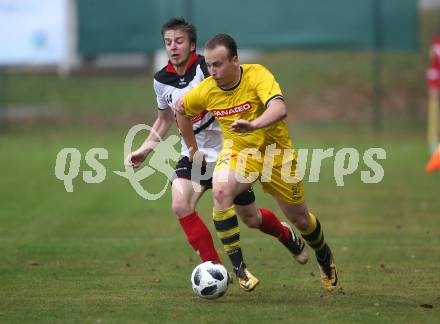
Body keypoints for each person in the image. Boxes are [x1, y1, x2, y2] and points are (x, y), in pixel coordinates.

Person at [125, 19, 306, 286]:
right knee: (179, 204)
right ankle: (215, 269)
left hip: (228, 153)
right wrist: (146, 149)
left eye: (179, 41)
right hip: (194, 154)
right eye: (168, 42)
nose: (173, 47)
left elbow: (236, 93)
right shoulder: (161, 80)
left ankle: (284, 235)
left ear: (192, 45)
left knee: (251, 219)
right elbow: (164, 119)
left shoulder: (208, 69)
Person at [176, 33, 338, 292]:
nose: (212, 71)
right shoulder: (206, 90)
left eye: (218, 64)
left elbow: (279, 109)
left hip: (277, 154)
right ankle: (239, 269)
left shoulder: (257, 75)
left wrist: (253, 124)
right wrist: (193, 149)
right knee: (220, 190)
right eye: (208, 65)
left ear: (235, 60)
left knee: (301, 220)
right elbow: (181, 109)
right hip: (239, 152)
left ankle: (323, 253)